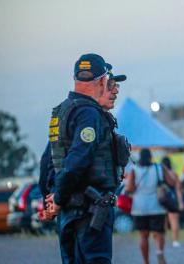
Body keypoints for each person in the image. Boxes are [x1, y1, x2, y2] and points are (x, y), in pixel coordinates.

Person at [44, 53, 127, 263]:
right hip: (89, 212)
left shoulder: (61, 112)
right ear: (101, 81)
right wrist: (60, 199)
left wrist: (54, 198)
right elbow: (77, 162)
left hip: (69, 212)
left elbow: (48, 163)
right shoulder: (89, 114)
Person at [125, 149, 177, 264]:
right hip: (157, 207)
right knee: (158, 233)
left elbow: (129, 188)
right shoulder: (159, 168)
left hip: (139, 208)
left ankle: (146, 261)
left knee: (143, 236)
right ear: (150, 157)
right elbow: (172, 182)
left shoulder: (134, 170)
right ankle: (159, 252)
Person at [161, 156, 184, 248]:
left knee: (162, 221)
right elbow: (178, 189)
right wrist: (180, 202)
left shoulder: (159, 174)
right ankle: (175, 241)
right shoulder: (174, 174)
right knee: (174, 220)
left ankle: (163, 239)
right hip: (172, 199)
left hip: (161, 199)